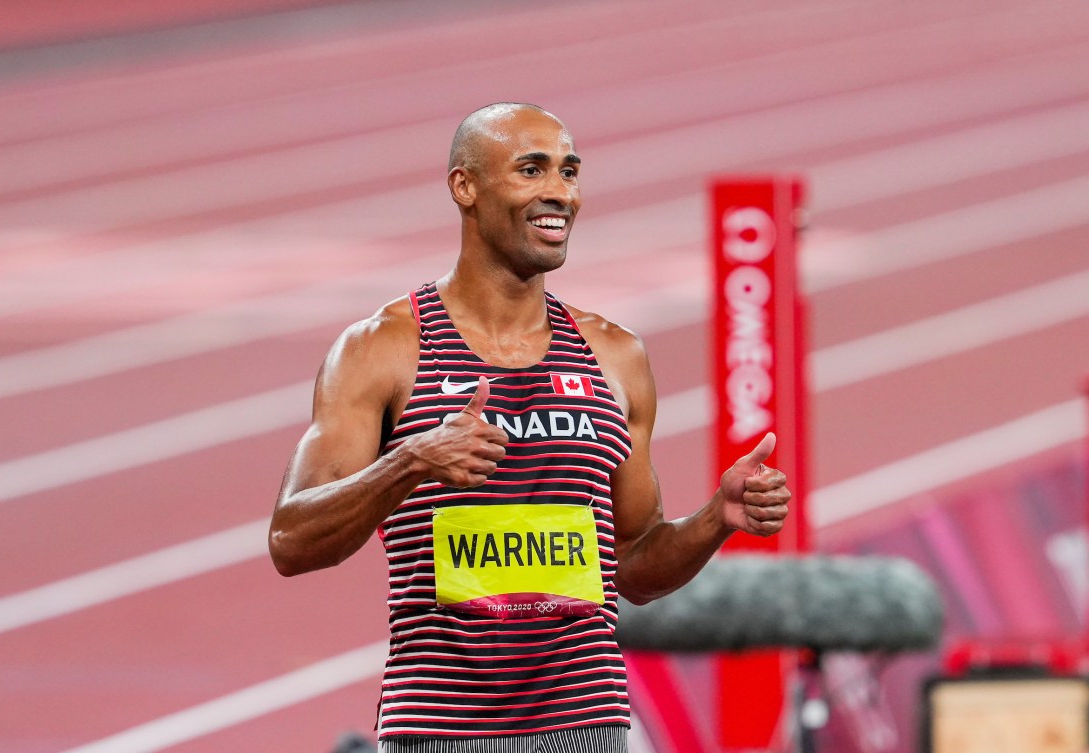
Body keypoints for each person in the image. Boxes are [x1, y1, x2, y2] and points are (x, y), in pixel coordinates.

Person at [269, 102, 791, 753]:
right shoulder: (382, 349)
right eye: (531, 170)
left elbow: (633, 563)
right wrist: (409, 462)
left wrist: (715, 517)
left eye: (569, 172)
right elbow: (290, 539)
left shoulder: (615, 355)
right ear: (465, 187)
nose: (559, 193)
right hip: (439, 728)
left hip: (586, 725)